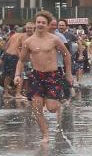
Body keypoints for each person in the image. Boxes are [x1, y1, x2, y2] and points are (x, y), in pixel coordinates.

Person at [14, 11, 73, 142]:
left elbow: (66, 55)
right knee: (36, 107)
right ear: (35, 24)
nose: (40, 25)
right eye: (38, 22)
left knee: (52, 108)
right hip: (36, 76)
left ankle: (55, 103)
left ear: (47, 25)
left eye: (43, 23)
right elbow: (21, 60)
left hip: (52, 75)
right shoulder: (28, 42)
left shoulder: (54, 39)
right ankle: (45, 135)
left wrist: (68, 73)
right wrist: (17, 75)